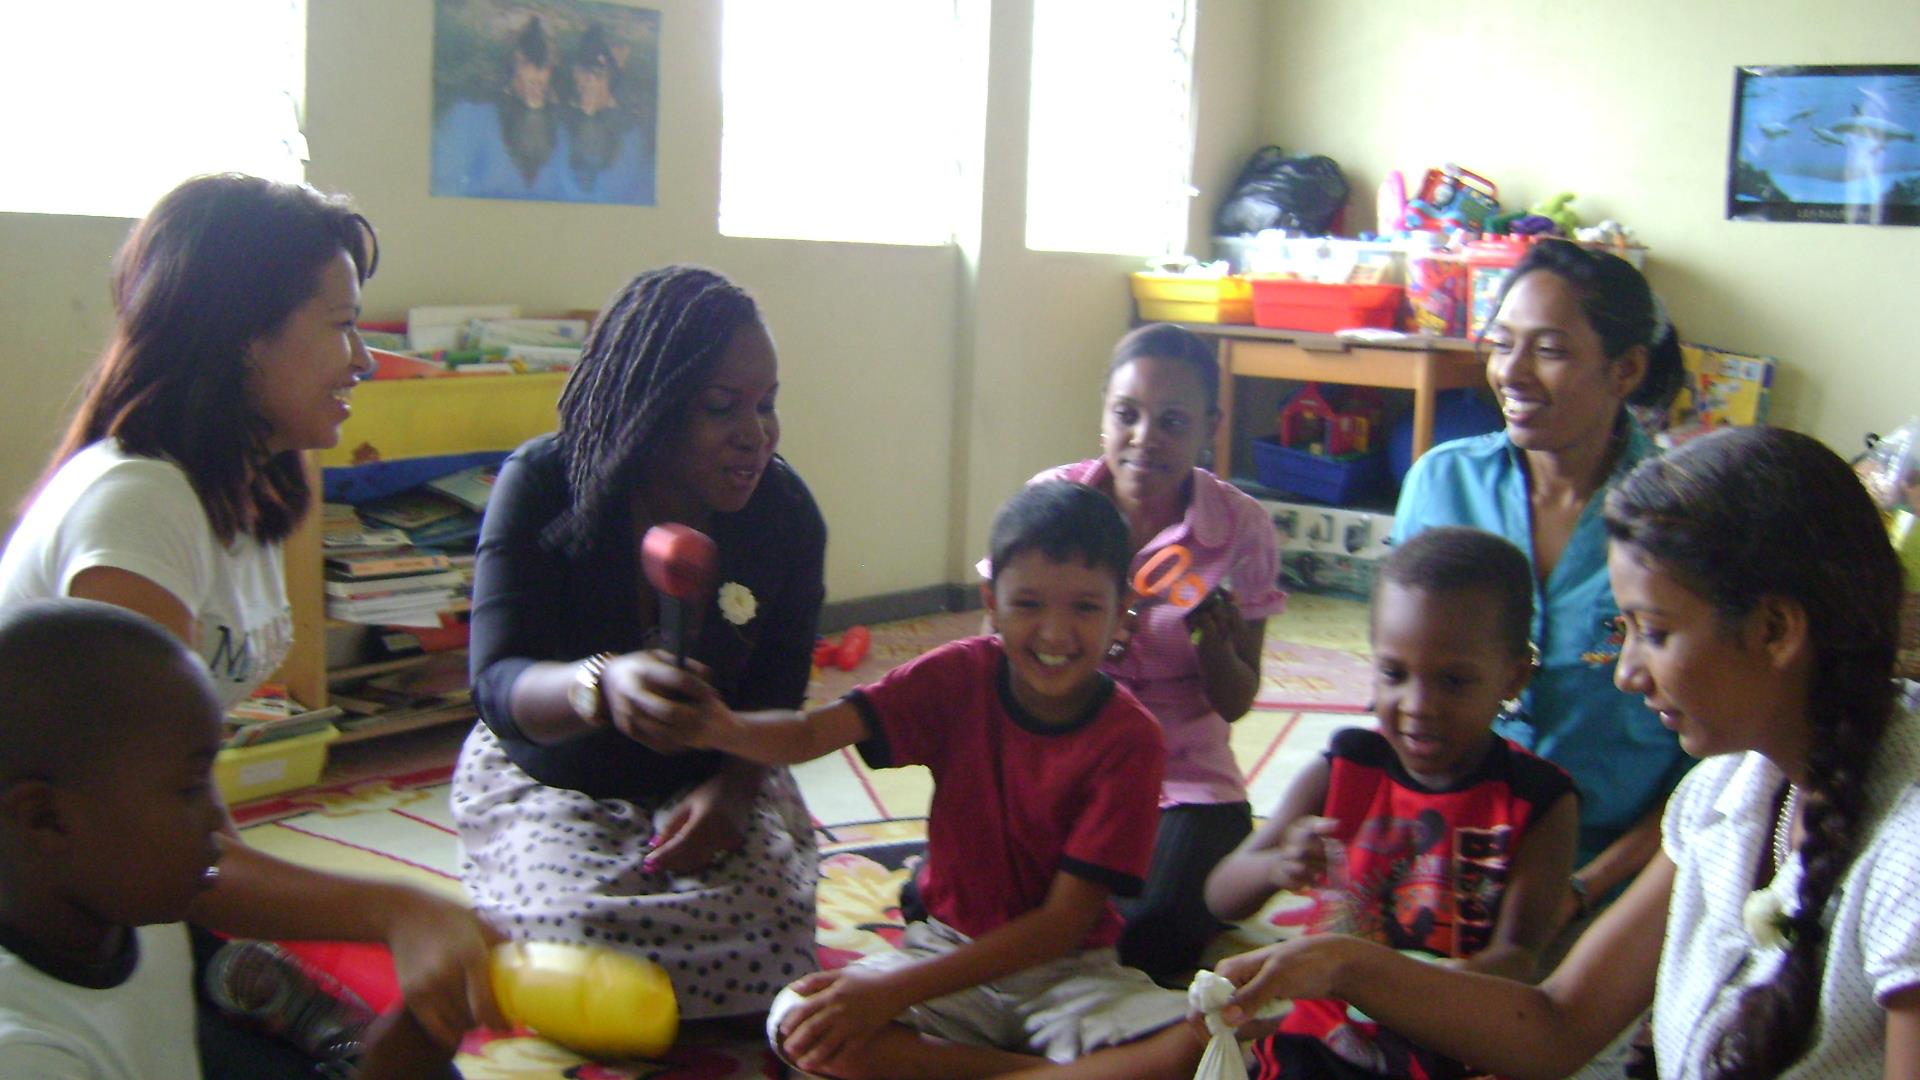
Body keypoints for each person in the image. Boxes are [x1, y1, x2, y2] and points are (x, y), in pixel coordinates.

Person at [1209, 426, 1920, 1079]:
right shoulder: (1727, 793)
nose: (1628, 673)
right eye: (1624, 630)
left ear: (1774, 630)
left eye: (1655, 632)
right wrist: (1342, 966)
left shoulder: (1903, 859)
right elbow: (1558, 1024)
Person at [0, 173, 503, 1065]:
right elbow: (138, 833)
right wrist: (399, 907)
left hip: (155, 877)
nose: (364, 360)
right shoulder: (140, 507)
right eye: (341, 325)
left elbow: (185, 809)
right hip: (66, 916)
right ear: (239, 336)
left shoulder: (245, 484)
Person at [629, 481, 1190, 1078]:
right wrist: (719, 728)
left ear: (1122, 613)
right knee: (798, 1021)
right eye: (1028, 604)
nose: (1055, 633)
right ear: (992, 601)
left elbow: (1062, 926)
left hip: (1072, 975)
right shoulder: (957, 676)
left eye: (1085, 608)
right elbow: (810, 734)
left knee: (1211, 1035)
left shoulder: (1131, 739)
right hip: (945, 952)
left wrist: (889, 993)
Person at [453, 264, 827, 1022]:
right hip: (555, 772)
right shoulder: (543, 484)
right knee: (581, 927)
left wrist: (733, 791)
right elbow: (496, 683)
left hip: (711, 771)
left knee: (774, 939)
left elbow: (780, 685)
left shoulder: (784, 513)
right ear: (649, 406)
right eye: (721, 406)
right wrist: (600, 686)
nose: (756, 434)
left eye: (766, 404)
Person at [0, 598, 460, 1078]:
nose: (218, 816)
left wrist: (409, 917)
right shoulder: (22, 1056)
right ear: (45, 819)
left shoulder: (134, 909)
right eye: (190, 788)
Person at [1390, 238, 1691, 928]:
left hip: (1610, 877)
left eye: (1549, 350)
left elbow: (1709, 769)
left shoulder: (1684, 517)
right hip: (1440, 848)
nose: (1512, 373)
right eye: (1501, 344)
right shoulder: (1442, 483)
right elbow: (1396, 680)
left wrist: (1581, 890)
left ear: (1626, 369)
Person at [1204, 527, 1578, 1079]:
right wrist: (1277, 866)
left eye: (1454, 680)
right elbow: (1221, 895)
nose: (1418, 705)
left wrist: (1411, 988)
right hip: (1319, 1041)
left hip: (1447, 1043)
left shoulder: (1539, 800)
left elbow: (1518, 958)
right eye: (1394, 673)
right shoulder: (1345, 767)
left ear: (1513, 676)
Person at [998, 322, 1285, 986]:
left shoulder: (1240, 527)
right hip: (1063, 768)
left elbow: (1236, 701)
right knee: (937, 894)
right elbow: (1001, 656)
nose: (1145, 437)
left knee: (1150, 929)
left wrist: (1215, 643)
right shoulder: (1052, 503)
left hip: (1184, 784)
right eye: (1127, 414)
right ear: (1104, 411)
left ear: (1210, 428)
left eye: (1173, 421)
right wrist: (1077, 646)